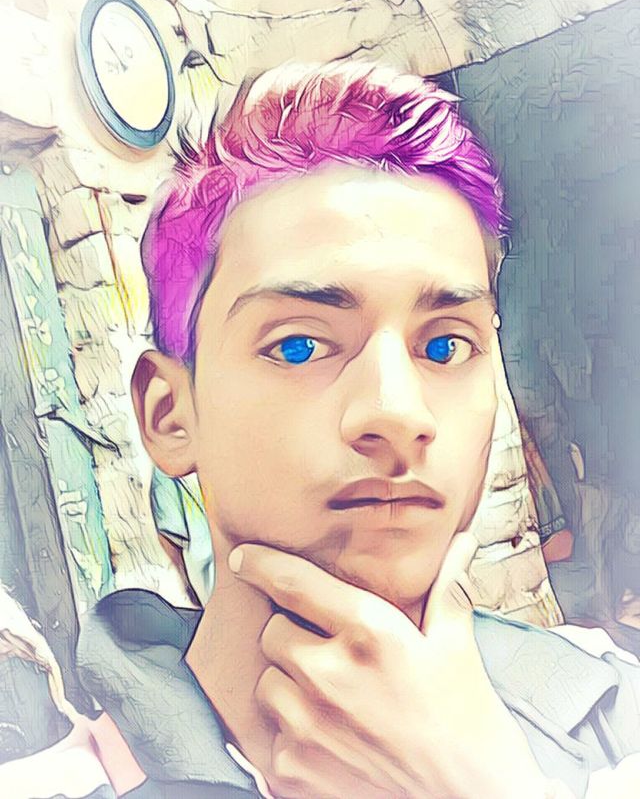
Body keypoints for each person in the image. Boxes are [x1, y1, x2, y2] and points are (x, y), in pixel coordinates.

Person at [5, 61, 640, 798]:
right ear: (168, 414)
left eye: (446, 346)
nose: (397, 412)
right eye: (300, 345)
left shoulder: (611, 705)